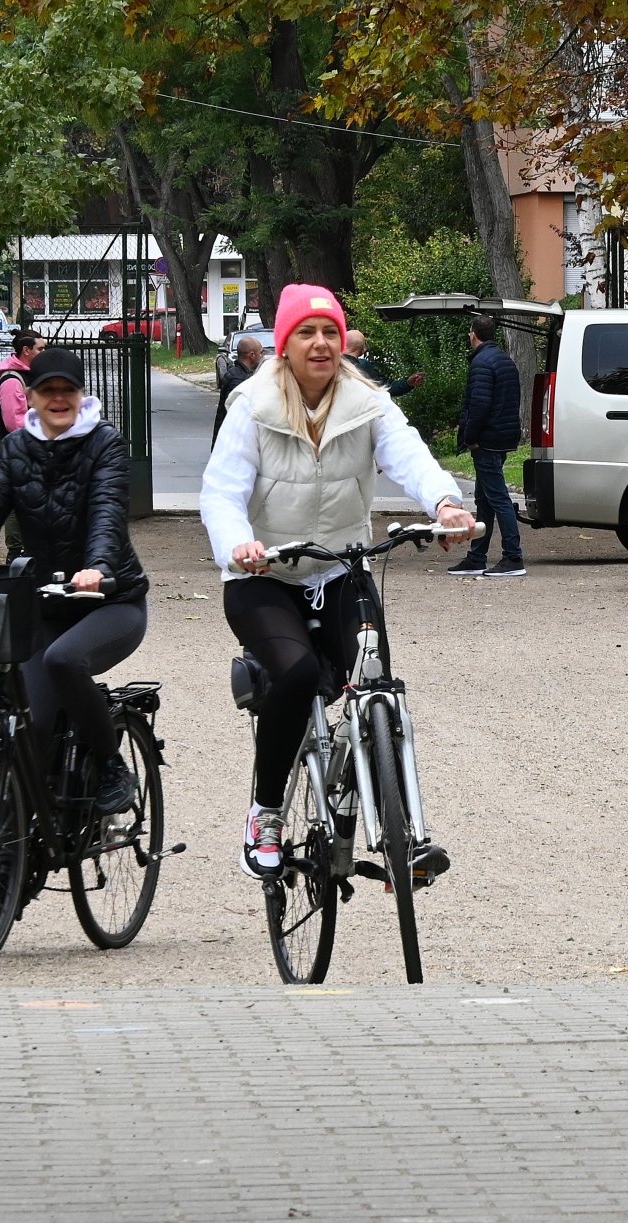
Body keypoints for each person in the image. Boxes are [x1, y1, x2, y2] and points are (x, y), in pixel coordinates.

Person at [200, 283, 474, 879]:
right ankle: (266, 812)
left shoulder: (367, 400)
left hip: (341, 568)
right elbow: (221, 492)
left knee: (376, 681)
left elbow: (410, 456)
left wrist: (447, 504)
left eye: (329, 331)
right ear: (284, 344)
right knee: (296, 675)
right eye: (306, 332)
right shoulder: (251, 405)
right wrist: (238, 544)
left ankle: (404, 830)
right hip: (263, 576)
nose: (321, 343)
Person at [0, 347, 151, 917]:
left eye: (69, 389)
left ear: (80, 393)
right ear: (33, 398)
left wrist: (97, 568)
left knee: (65, 662)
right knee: (28, 731)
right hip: (44, 603)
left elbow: (106, 512)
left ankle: (112, 765)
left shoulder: (106, 444)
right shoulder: (17, 450)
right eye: (49, 390)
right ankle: (12, 869)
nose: (59, 398)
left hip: (109, 601)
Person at [446, 314, 526, 577]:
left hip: (487, 440)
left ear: (473, 334)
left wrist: (470, 436)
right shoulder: (504, 360)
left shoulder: (481, 363)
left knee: (498, 498)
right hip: (502, 436)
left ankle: (513, 557)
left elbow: (479, 404)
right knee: (485, 499)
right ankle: (477, 556)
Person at [0, 329, 43, 556]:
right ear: (26, 350)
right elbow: (13, 422)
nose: (43, 352)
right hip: (17, 449)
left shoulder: (29, 376)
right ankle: (15, 550)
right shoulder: (12, 381)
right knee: (15, 500)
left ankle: (29, 547)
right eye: (40, 348)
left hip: (30, 447)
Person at [343, 330, 425, 398]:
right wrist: (407, 383)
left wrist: (407, 383)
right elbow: (386, 388)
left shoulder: (332, 365)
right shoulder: (363, 366)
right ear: (363, 350)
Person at [212, 335, 263, 443]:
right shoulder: (238, 380)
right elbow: (236, 414)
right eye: (261, 353)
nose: (262, 356)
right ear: (252, 355)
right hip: (232, 441)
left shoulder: (238, 373)